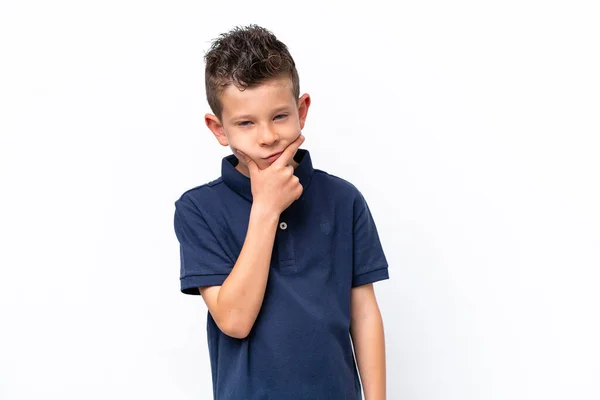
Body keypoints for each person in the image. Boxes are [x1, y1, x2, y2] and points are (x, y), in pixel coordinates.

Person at [173, 24, 389, 400]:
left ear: (301, 111)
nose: (268, 136)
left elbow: (364, 311)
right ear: (218, 128)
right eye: (245, 123)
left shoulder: (343, 199)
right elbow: (234, 321)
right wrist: (266, 208)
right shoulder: (197, 210)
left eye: (279, 117)